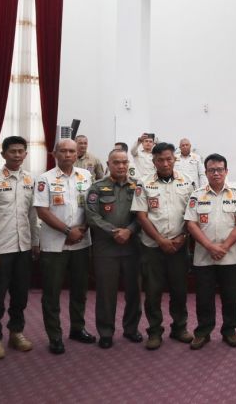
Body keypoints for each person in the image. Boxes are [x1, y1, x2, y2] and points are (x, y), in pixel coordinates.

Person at [33, 139, 96, 355]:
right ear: (54, 153)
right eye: (63, 151)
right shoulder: (45, 179)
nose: (68, 154)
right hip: (54, 245)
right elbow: (42, 211)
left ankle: (77, 328)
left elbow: (92, 207)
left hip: (81, 243)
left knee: (80, 291)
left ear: (77, 153)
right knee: (52, 294)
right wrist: (68, 232)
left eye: (72, 151)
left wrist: (82, 229)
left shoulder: (86, 176)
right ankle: (55, 336)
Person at [0, 136, 39, 360]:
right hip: (0, 249)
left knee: (20, 295)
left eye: (20, 151)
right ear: (3, 154)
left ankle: (16, 332)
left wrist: (35, 242)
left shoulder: (30, 180)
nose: (16, 155)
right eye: (12, 151)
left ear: (25, 154)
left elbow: (33, 215)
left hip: (23, 246)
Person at [132, 142, 195, 350]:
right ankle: (155, 331)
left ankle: (179, 327)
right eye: (160, 160)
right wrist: (160, 240)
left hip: (179, 246)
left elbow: (191, 215)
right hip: (152, 247)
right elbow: (141, 216)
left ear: (174, 159)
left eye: (169, 159)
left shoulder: (187, 182)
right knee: (153, 291)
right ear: (154, 161)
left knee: (179, 290)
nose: (165, 163)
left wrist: (183, 236)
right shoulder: (143, 183)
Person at [185, 154, 236, 349]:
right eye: (212, 170)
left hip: (231, 256)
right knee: (204, 297)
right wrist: (210, 246)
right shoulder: (196, 195)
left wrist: (225, 246)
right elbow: (191, 224)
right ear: (206, 172)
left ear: (226, 172)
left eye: (220, 169)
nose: (216, 173)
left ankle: (230, 330)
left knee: (231, 296)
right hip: (204, 256)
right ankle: (203, 331)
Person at [84, 148, 143, 349]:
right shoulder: (97, 187)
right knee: (106, 293)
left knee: (134, 292)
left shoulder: (137, 187)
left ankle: (131, 329)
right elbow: (91, 215)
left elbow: (143, 215)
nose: (121, 166)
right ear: (108, 165)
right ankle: (106, 332)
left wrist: (129, 231)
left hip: (132, 247)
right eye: (116, 162)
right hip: (105, 250)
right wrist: (114, 232)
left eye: (124, 162)